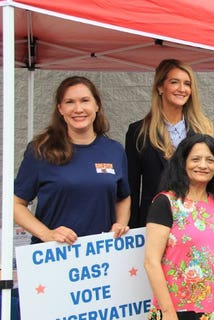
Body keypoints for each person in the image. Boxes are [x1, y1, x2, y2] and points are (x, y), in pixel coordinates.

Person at [14, 76, 131, 244]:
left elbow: (123, 197)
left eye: (85, 100)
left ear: (96, 105)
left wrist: (120, 224)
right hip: (54, 256)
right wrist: (47, 234)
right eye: (70, 102)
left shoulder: (114, 150)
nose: (78, 109)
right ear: (60, 109)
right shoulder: (40, 150)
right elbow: (16, 205)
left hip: (102, 256)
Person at [144, 134, 214, 320]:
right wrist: (168, 313)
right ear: (182, 163)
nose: (203, 165)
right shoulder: (165, 203)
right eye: (195, 159)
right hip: (177, 310)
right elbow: (151, 262)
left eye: (209, 160)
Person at [126, 58, 214, 228]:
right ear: (160, 87)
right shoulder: (138, 132)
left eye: (187, 84)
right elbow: (132, 186)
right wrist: (134, 229)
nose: (182, 89)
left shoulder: (204, 130)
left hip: (195, 220)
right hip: (153, 222)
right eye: (175, 82)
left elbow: (213, 181)